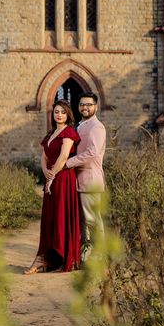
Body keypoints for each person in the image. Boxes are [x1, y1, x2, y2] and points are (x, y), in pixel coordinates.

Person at [26, 100, 82, 274]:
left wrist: (52, 177)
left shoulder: (69, 132)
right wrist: (47, 174)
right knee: (49, 218)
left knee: (61, 216)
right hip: (52, 177)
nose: (59, 115)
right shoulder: (51, 133)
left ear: (68, 115)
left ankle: (65, 259)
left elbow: (64, 156)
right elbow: (43, 157)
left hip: (64, 179)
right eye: (56, 112)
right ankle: (45, 260)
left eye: (63, 112)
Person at [51, 92, 106, 262]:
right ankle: (85, 256)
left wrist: (67, 163)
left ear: (95, 107)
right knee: (82, 222)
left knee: (92, 219)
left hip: (90, 179)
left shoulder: (96, 127)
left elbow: (92, 152)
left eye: (89, 104)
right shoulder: (80, 125)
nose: (85, 107)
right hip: (77, 180)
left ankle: (99, 256)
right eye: (82, 104)